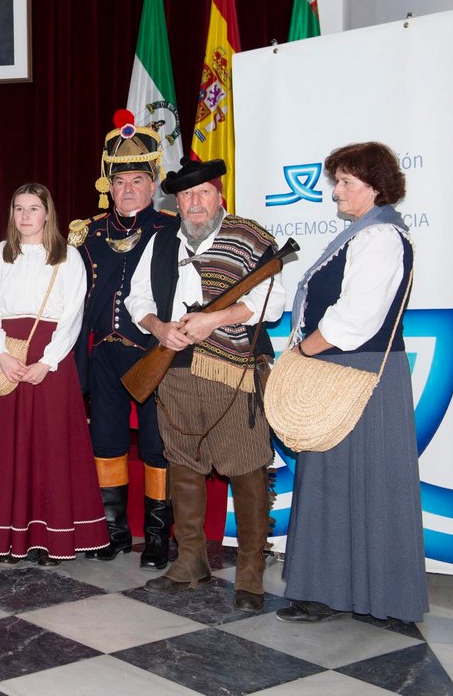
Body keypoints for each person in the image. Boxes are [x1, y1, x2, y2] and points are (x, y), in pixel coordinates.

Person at [125, 158, 284, 612]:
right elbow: (138, 299)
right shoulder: (159, 241)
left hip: (233, 369)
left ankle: (251, 571)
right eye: (186, 196)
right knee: (184, 466)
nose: (195, 203)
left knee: (247, 468)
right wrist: (159, 328)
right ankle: (190, 561)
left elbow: (274, 301)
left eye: (204, 194)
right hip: (173, 367)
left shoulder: (250, 238)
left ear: (219, 197)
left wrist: (216, 317)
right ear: (177, 202)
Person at [277, 142, 427, 624]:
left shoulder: (379, 238)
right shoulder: (363, 234)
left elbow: (356, 319)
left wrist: (302, 351)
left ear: (375, 188)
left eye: (345, 183)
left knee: (366, 483)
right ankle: (329, 590)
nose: (335, 191)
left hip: (360, 376)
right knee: (333, 483)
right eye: (336, 181)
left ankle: (378, 596)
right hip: (343, 372)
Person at [0, 183, 108, 564]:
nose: (26, 216)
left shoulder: (67, 257)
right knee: (8, 448)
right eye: (19, 208)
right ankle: (7, 538)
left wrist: (46, 362)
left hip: (50, 360)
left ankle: (54, 539)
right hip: (7, 358)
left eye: (34, 208)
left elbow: (71, 317)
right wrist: (0, 354)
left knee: (51, 447)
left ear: (48, 214)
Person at [69, 111, 179, 569]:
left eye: (137, 180)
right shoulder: (87, 233)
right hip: (101, 354)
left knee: (156, 445)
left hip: (153, 354)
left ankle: (157, 536)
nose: (128, 189)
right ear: (108, 186)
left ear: (154, 184)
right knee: (108, 441)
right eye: (120, 182)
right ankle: (114, 531)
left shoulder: (171, 229)